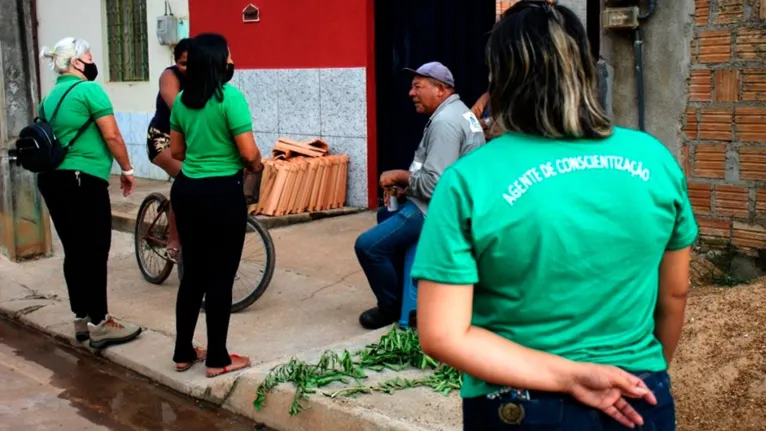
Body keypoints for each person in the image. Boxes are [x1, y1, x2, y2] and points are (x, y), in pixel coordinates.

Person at [412, 2, 697, 430]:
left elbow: (442, 335)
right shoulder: (655, 160)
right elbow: (674, 295)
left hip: (521, 406)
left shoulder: (468, 181)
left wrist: (571, 377)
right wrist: (642, 374)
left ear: (501, 77)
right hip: (638, 393)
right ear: (583, 66)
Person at [355, 61, 486, 330]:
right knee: (384, 215)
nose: (411, 93)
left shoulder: (446, 123)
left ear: (440, 89)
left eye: (418, 86)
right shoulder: (455, 113)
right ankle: (406, 297)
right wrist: (407, 189)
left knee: (367, 245)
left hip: (437, 210)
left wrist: (400, 176)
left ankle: (390, 306)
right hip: (439, 202)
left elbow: (435, 185)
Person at [37, 37, 142, 349]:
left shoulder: (50, 97)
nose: (93, 62)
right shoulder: (89, 90)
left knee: (74, 250)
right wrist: (127, 168)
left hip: (53, 180)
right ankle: (100, 324)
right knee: (95, 250)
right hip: (83, 179)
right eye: (90, 57)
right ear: (76, 63)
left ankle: (80, 319)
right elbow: (111, 133)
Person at [169, 33, 263, 377]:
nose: (231, 60)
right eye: (228, 54)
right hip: (222, 193)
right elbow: (250, 152)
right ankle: (217, 358)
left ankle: (182, 352)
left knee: (192, 272)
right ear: (217, 61)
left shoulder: (181, 100)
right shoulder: (231, 98)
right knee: (221, 276)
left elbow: (177, 152)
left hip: (188, 189)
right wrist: (251, 164)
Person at [146, 38, 192, 262]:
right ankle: (174, 241)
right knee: (185, 179)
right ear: (176, 62)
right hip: (162, 139)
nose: (188, 68)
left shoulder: (204, 78)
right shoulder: (169, 76)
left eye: (193, 62)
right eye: (183, 63)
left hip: (191, 139)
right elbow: (178, 109)